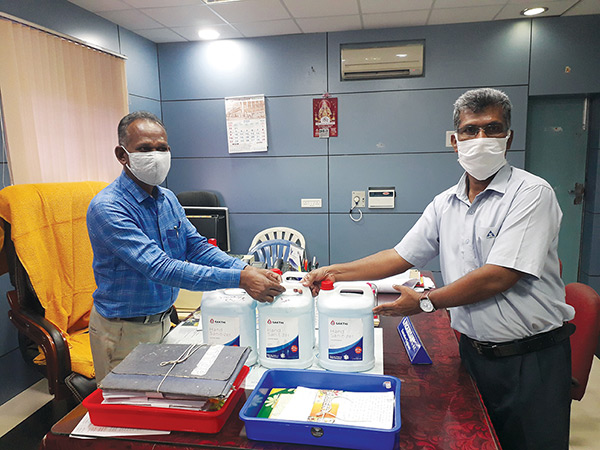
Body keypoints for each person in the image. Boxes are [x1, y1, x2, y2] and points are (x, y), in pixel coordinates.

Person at [303, 88, 575, 450]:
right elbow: (400, 256)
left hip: (532, 360)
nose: (481, 139)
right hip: (474, 355)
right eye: (470, 130)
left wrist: (425, 301)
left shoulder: (531, 193)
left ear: (508, 138)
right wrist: (336, 272)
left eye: (492, 129)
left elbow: (499, 275)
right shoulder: (445, 203)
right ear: (455, 141)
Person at [87, 111, 285, 382]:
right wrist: (240, 279)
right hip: (123, 332)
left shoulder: (166, 199)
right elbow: (160, 268)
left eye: (162, 148)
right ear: (122, 155)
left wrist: (245, 268)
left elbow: (196, 247)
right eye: (144, 149)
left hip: (163, 322)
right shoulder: (108, 207)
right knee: (130, 412)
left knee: (162, 401)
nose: (155, 156)